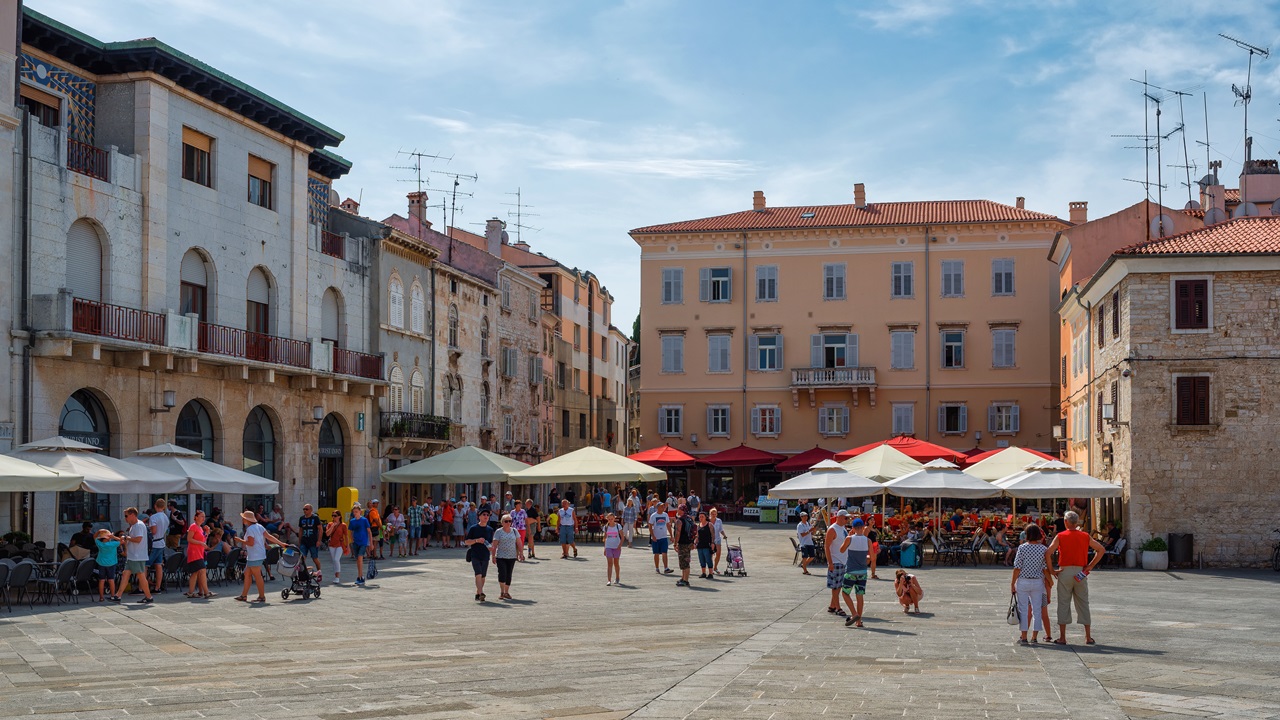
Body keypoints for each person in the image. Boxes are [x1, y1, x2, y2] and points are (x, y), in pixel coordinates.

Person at [1045, 510, 1106, 645]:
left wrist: (1051, 570)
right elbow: (1101, 549)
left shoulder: (1061, 536)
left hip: (1064, 571)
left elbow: (1048, 552)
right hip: (1081, 571)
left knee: (1063, 602)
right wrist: (1090, 566)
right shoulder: (1085, 536)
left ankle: (1062, 637)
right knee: (1083, 602)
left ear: (1066, 522)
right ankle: (1088, 636)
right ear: (1077, 522)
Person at [234, 509, 284, 603]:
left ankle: (261, 596)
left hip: (254, 556)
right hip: (258, 554)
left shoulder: (249, 529)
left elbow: (250, 543)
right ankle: (244, 595)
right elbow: (269, 536)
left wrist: (240, 540)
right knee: (247, 574)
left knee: (257, 576)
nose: (243, 520)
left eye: (243, 518)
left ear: (247, 520)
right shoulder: (259, 526)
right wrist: (281, 543)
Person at [1011, 524, 1049, 644]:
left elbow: (1017, 567)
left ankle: (1023, 636)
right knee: (1036, 610)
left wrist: (1012, 583)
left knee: (1023, 609)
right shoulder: (1043, 549)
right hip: (1038, 581)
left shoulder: (1022, 548)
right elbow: (1044, 567)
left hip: (1023, 580)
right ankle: (1034, 637)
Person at [114, 507, 153, 604]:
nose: (125, 518)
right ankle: (117, 596)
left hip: (137, 555)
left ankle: (148, 596)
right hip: (132, 556)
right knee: (125, 574)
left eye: (126, 516)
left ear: (132, 515)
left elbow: (138, 539)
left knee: (141, 575)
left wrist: (127, 537)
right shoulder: (133, 526)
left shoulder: (138, 525)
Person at [839, 517, 871, 628]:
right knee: (860, 596)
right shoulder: (868, 540)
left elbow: (841, 550)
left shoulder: (849, 538)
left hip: (851, 570)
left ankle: (854, 613)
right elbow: (871, 557)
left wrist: (849, 536)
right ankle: (859, 621)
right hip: (863, 572)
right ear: (863, 528)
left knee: (845, 592)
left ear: (853, 528)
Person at [491, 513, 524, 600]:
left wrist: (521, 553)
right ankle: (502, 591)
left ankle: (506, 592)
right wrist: (493, 556)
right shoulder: (498, 532)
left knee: (509, 574)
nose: (508, 523)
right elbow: (494, 544)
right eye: (506, 521)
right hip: (501, 556)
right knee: (502, 573)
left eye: (510, 521)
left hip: (512, 556)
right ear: (502, 522)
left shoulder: (514, 531)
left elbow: (519, 542)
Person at [466, 508, 495, 602]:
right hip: (475, 554)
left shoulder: (490, 529)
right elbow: (466, 541)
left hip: (485, 555)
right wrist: (476, 540)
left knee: (483, 576)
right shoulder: (473, 528)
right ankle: (481, 592)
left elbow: (491, 543)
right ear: (479, 517)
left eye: (487, 515)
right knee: (478, 574)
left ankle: (478, 593)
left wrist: (491, 548)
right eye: (484, 515)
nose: (486, 516)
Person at [824, 511, 849, 617]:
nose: (847, 520)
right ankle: (838, 607)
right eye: (845, 518)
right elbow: (827, 546)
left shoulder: (842, 528)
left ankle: (832, 605)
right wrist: (830, 562)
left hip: (843, 560)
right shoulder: (833, 529)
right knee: (835, 586)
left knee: (839, 585)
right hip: (836, 560)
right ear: (839, 517)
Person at [185, 509, 214, 599]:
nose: (203, 518)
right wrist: (200, 543)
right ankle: (206, 592)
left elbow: (203, 541)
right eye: (201, 516)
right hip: (194, 552)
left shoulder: (200, 528)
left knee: (195, 572)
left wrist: (207, 534)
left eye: (204, 516)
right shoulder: (193, 526)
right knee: (202, 570)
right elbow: (189, 539)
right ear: (196, 517)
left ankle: (191, 592)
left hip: (199, 552)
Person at [146, 498, 169, 593]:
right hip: (161, 542)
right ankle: (157, 587)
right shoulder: (166, 517)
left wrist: (148, 529)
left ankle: (142, 587)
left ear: (155, 506)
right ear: (163, 507)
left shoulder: (153, 517)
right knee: (158, 565)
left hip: (154, 543)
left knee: (146, 565)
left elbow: (154, 531)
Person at [672, 504, 697, 587]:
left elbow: (678, 533)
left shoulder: (680, 520)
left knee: (684, 561)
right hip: (689, 542)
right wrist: (693, 542)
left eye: (678, 509)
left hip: (683, 543)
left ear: (682, 510)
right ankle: (683, 578)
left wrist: (675, 543)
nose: (677, 510)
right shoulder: (690, 518)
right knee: (684, 560)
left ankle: (686, 580)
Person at [347, 504, 371, 586]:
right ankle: (360, 576)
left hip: (363, 542)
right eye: (354, 512)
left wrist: (371, 543)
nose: (355, 513)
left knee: (360, 558)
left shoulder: (364, 520)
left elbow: (369, 531)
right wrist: (351, 539)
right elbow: (350, 531)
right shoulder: (352, 521)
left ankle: (360, 577)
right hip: (356, 542)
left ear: (360, 512)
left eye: (356, 512)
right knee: (358, 560)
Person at [94, 529, 119, 602]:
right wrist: (113, 536)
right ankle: (112, 595)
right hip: (112, 563)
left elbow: (94, 536)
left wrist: (98, 531)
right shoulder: (113, 544)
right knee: (111, 580)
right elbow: (121, 540)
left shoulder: (99, 543)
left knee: (101, 580)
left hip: (101, 563)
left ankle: (101, 597)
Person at [297, 504, 323, 573]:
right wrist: (299, 541)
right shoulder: (302, 518)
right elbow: (301, 530)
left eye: (306, 509)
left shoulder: (315, 518)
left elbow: (320, 529)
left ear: (311, 510)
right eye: (304, 509)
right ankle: (302, 573)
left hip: (313, 541)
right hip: (304, 541)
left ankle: (319, 571)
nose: (305, 511)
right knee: (302, 558)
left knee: (315, 558)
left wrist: (319, 540)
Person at [325, 510, 348, 584]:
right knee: (334, 561)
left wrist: (347, 546)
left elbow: (346, 536)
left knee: (336, 559)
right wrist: (332, 526)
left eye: (335, 515)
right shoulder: (330, 524)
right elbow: (327, 534)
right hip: (332, 544)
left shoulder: (343, 525)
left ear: (339, 517)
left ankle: (337, 577)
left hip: (340, 544)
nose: (333, 517)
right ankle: (335, 576)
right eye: (332, 515)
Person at [649, 502, 673, 574]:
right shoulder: (653, 516)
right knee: (656, 553)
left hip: (664, 537)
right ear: (658, 507)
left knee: (664, 552)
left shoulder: (665, 515)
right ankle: (657, 568)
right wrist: (653, 536)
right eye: (662, 507)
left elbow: (668, 525)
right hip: (656, 538)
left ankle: (666, 568)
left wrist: (671, 535)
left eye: (664, 507)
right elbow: (650, 526)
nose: (663, 508)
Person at [602, 512, 623, 586]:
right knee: (609, 563)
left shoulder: (618, 526)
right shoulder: (606, 527)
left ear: (614, 518)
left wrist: (620, 545)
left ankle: (617, 577)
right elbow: (605, 538)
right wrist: (604, 548)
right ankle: (609, 580)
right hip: (608, 546)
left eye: (612, 519)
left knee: (616, 563)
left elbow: (622, 537)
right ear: (607, 519)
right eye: (609, 519)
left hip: (616, 546)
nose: (610, 520)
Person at [695, 511, 714, 579]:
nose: (701, 518)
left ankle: (711, 573)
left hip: (707, 545)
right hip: (700, 545)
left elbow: (713, 535)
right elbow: (697, 536)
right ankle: (703, 573)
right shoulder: (698, 525)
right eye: (700, 517)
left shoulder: (709, 524)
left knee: (708, 559)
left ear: (706, 517)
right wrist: (695, 543)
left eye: (702, 516)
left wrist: (712, 543)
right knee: (701, 559)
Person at [709, 507, 727, 574]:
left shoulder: (719, 521)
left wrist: (724, 535)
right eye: (712, 514)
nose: (714, 515)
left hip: (717, 538)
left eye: (715, 514)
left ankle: (715, 567)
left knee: (718, 553)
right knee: (710, 554)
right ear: (710, 514)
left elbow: (721, 529)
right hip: (710, 539)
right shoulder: (708, 520)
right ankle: (710, 568)